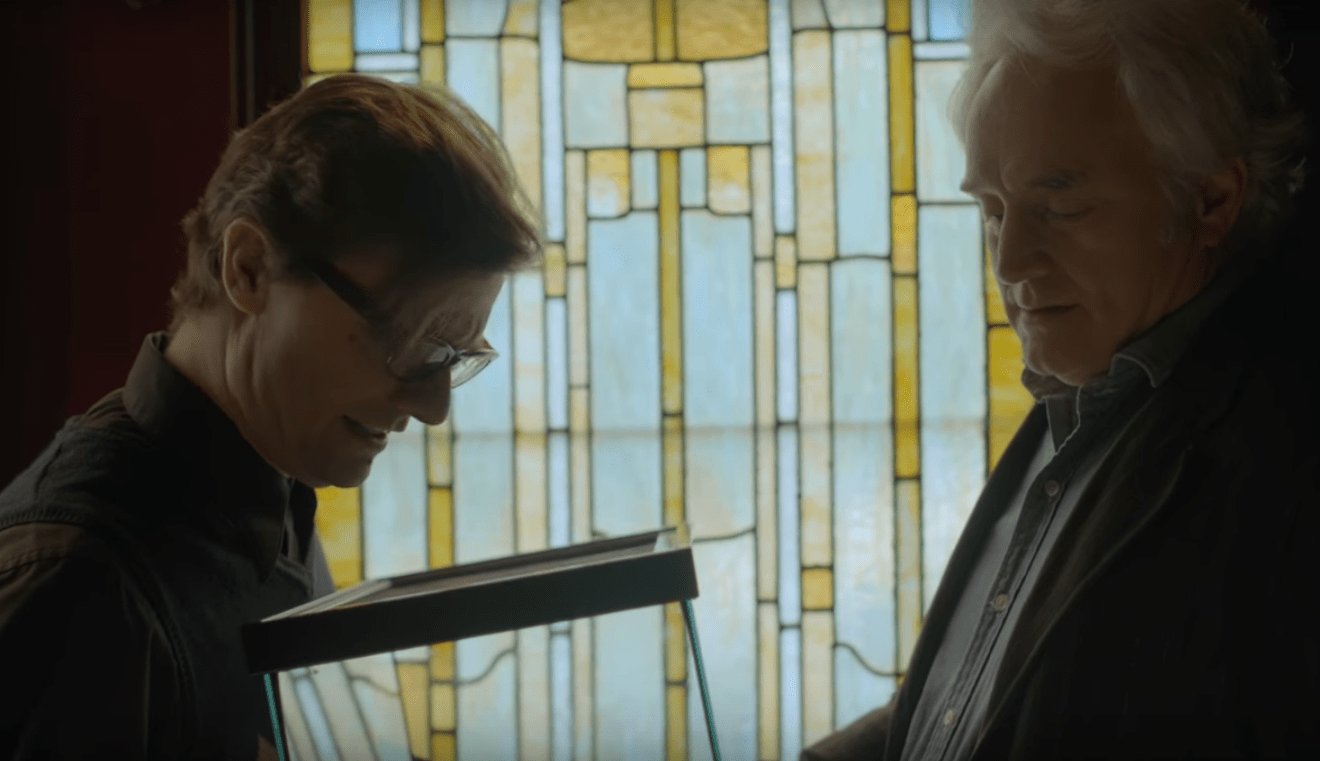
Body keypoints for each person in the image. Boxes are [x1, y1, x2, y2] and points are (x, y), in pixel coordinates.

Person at [803, 0, 1317, 758]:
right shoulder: (1083, 396)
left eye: (1060, 205)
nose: (1010, 261)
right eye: (992, 210)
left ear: (1212, 199)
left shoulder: (1286, 464)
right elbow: (976, 699)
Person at [0, 73, 541, 759]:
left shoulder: (274, 488)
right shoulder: (76, 588)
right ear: (250, 268)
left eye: (455, 357)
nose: (435, 407)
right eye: (414, 344)